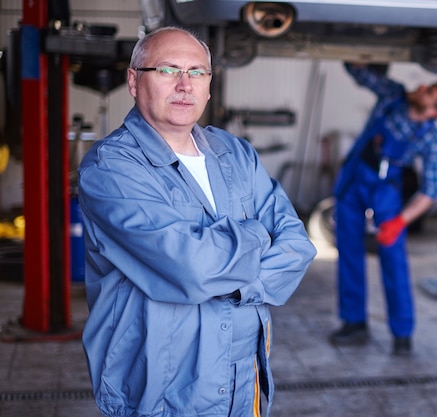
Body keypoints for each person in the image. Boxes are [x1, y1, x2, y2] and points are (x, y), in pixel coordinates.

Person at [78, 26, 316, 417]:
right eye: (168, 70)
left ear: (209, 85)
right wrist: (258, 235)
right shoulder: (112, 168)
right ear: (135, 81)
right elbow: (193, 268)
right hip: (162, 386)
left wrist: (233, 275)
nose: (185, 85)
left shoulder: (235, 152)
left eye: (198, 72)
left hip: (244, 378)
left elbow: (297, 245)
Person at [329, 62, 437, 356]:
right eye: (429, 86)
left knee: (394, 260)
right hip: (354, 179)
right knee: (349, 253)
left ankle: (402, 334)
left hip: (386, 193)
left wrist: (400, 222)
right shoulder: (393, 95)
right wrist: (362, 54)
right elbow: (359, 73)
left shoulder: (430, 139)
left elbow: (430, 191)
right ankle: (354, 323)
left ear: (433, 112)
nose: (422, 87)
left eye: (431, 92)